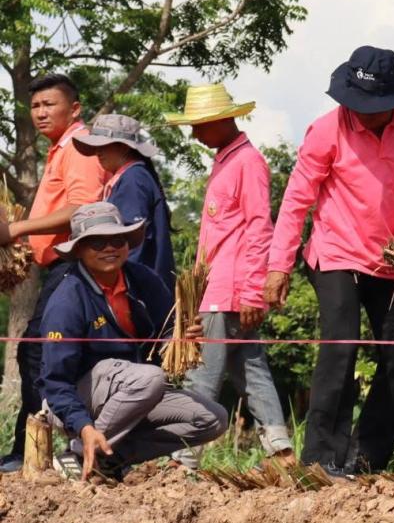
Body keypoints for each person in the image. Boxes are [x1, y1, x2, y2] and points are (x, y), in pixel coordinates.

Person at [264, 46, 394, 477]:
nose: (362, 113)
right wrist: (278, 265)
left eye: (373, 106)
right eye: (356, 103)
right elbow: (296, 201)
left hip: (392, 259)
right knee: (341, 343)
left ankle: (365, 460)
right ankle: (321, 460)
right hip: (335, 252)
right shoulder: (326, 130)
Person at [38, 202, 227, 480]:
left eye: (117, 240)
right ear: (78, 249)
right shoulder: (67, 300)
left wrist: (180, 339)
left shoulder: (143, 280)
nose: (109, 248)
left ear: (127, 244)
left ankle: (110, 459)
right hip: (74, 402)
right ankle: (78, 451)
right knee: (150, 378)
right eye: (97, 242)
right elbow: (55, 382)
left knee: (213, 418)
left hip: (135, 391)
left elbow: (166, 334)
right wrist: (82, 425)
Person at [163, 84, 294, 468]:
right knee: (251, 372)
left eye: (199, 125)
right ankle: (281, 452)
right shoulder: (227, 161)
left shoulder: (247, 163)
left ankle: (182, 459)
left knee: (202, 374)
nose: (194, 134)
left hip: (228, 292)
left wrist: (253, 293)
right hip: (221, 290)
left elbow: (259, 228)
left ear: (222, 121)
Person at [0, 73, 106, 472]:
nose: (40, 112)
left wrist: (17, 229)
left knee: (36, 353)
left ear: (74, 109)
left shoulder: (79, 145)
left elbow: (82, 208)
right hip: (59, 265)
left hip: (73, 265)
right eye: (35, 106)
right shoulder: (59, 148)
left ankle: (32, 453)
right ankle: (30, 450)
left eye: (49, 104)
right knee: (36, 352)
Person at [72, 114, 176, 292]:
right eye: (96, 146)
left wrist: (121, 286)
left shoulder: (132, 179)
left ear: (123, 147)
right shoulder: (131, 177)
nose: (97, 152)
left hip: (141, 288)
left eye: (103, 146)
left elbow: (132, 242)